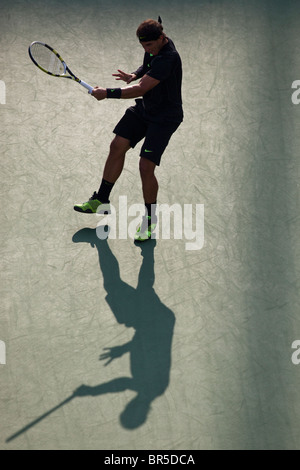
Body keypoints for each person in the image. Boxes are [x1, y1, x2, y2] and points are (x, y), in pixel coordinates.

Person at [74, 17, 183, 241]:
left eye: (150, 46)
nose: (147, 50)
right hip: (146, 109)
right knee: (117, 146)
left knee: (145, 166)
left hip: (165, 117)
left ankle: (150, 220)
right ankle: (100, 199)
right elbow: (147, 65)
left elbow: (140, 89)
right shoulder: (153, 48)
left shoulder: (169, 57)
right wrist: (135, 73)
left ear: (162, 38)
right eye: (143, 46)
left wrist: (107, 93)